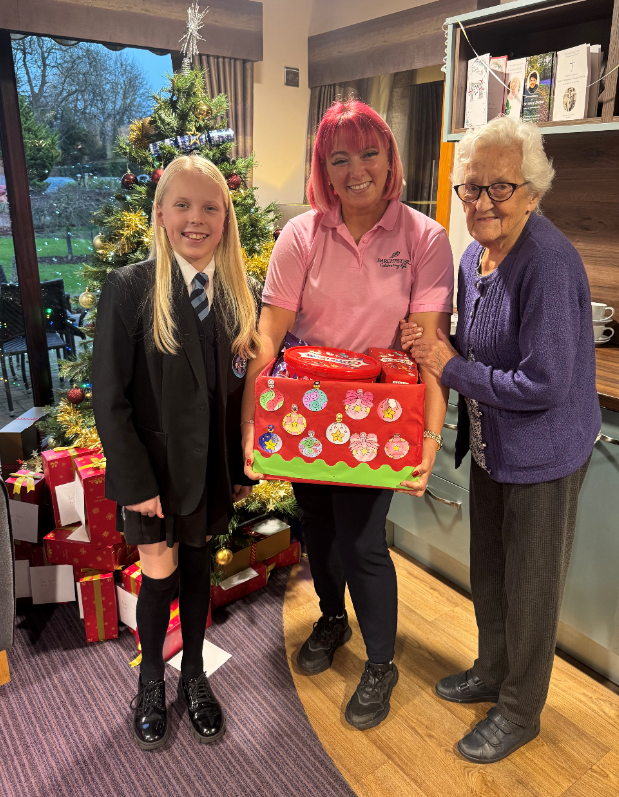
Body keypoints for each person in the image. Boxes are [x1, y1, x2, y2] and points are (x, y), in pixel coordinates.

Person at [241, 99, 454, 730]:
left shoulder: (425, 239)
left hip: (380, 420)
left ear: (390, 158)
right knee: (319, 528)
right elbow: (267, 341)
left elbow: (430, 350)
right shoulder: (300, 236)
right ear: (324, 170)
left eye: (369, 152)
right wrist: (253, 428)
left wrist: (430, 444)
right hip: (307, 416)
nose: (357, 169)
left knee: (364, 541)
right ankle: (333, 619)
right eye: (340, 158)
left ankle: (381, 662)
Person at [401, 115, 600, 763]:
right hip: (491, 447)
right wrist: (431, 347)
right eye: (469, 188)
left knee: (531, 587)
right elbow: (473, 344)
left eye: (500, 188)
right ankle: (491, 670)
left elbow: (543, 381)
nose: (481, 203)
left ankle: (520, 709)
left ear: (533, 192)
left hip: (541, 456)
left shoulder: (548, 262)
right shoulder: (471, 254)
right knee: (491, 573)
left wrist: (447, 365)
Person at [92, 155, 258, 750]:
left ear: (226, 217)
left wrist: (240, 470)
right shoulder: (131, 288)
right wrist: (135, 482)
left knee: (196, 574)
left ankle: (193, 678)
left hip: (210, 470)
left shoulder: (240, 293)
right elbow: (110, 401)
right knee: (159, 580)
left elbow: (240, 394)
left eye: (210, 207)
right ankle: (149, 684)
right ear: (160, 213)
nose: (196, 219)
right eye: (182, 205)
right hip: (152, 477)